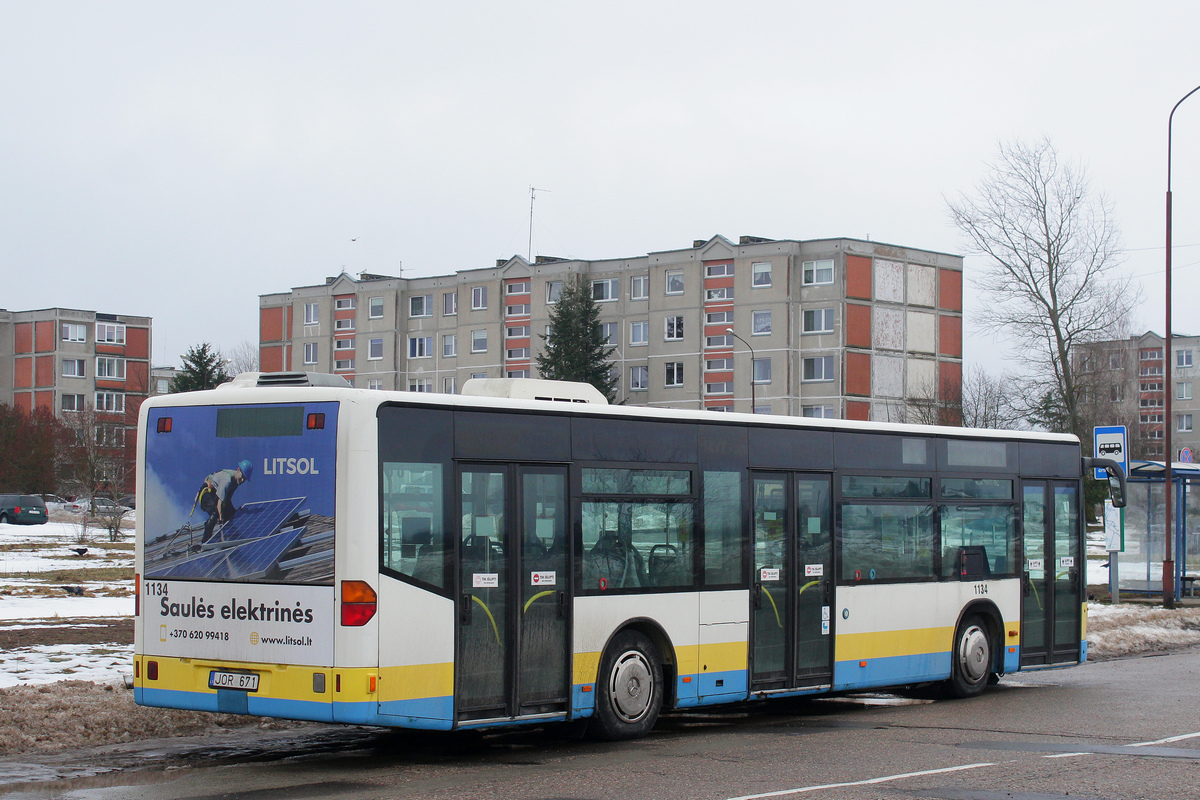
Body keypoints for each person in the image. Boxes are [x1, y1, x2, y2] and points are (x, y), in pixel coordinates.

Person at [195, 460, 253, 542]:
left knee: (232, 515)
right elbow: (220, 504)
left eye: (245, 479)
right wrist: (221, 521)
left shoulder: (236, 482)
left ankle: (232, 538)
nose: (242, 480)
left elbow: (227, 500)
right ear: (238, 470)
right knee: (215, 514)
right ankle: (205, 541)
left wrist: (234, 512)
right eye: (242, 476)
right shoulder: (227, 481)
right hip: (207, 493)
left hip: (217, 495)